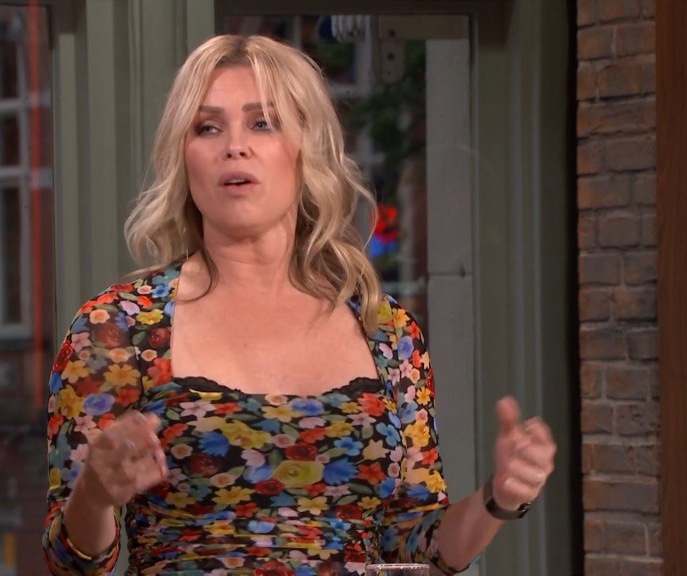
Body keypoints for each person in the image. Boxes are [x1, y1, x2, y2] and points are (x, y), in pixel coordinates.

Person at [41, 34, 556, 575]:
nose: (234, 146)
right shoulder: (118, 328)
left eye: (262, 123)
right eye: (208, 127)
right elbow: (68, 562)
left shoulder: (385, 332)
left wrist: (498, 497)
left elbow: (415, 543)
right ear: (183, 157)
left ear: (306, 149)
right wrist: (94, 494)